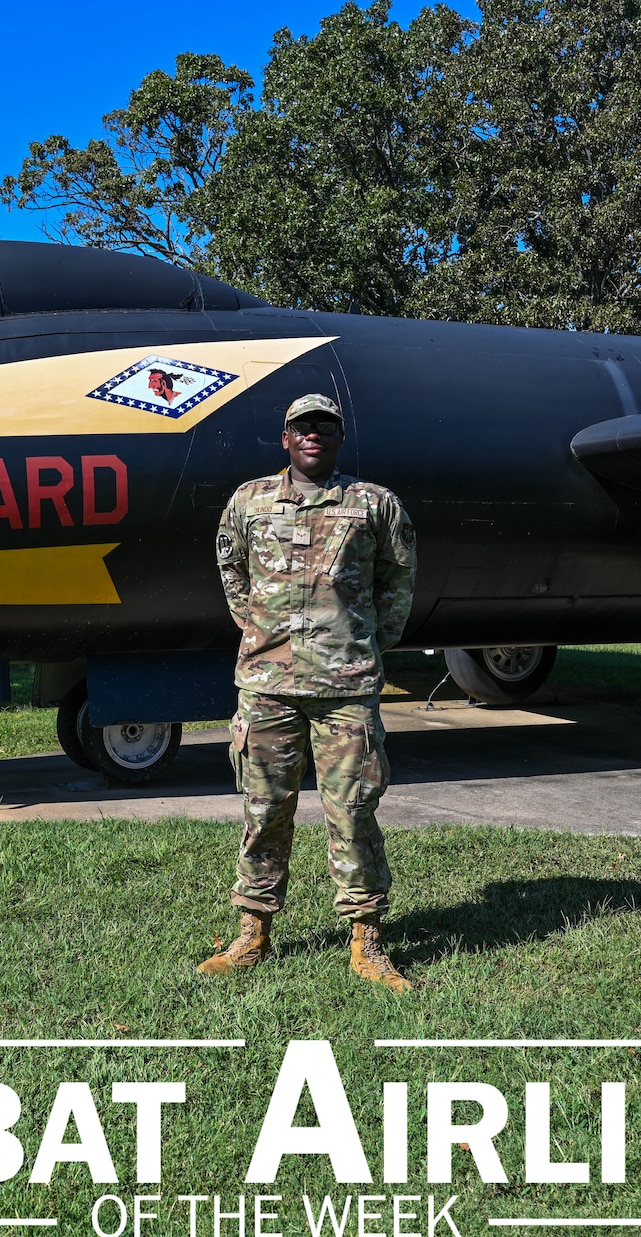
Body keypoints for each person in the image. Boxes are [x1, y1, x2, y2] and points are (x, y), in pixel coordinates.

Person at [201, 393, 418, 990]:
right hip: (267, 685)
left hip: (346, 686)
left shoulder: (373, 504)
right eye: (302, 427)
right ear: (286, 438)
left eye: (325, 426)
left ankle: (367, 940)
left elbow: (398, 581)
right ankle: (253, 932)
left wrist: (367, 643)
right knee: (264, 808)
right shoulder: (249, 501)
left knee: (352, 812)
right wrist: (259, 631)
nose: (313, 435)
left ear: (338, 437)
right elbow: (231, 570)